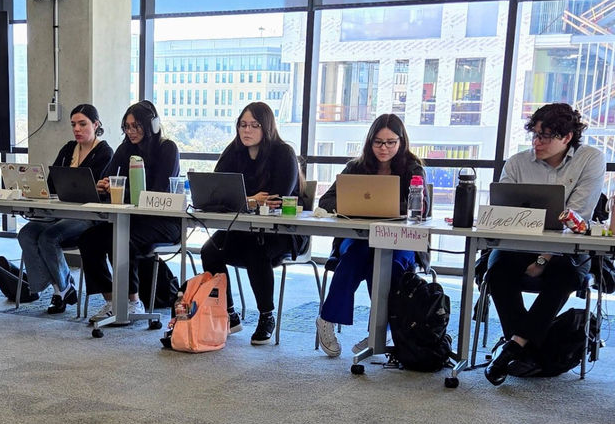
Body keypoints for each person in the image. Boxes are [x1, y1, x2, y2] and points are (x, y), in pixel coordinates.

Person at [483, 102, 605, 386]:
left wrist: (542, 259)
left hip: (567, 248)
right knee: (497, 270)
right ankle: (523, 347)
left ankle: (512, 348)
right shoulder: (517, 163)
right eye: (535, 135)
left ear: (567, 137)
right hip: (517, 244)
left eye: (545, 136)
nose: (537, 142)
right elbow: (503, 215)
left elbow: (576, 218)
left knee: (565, 276)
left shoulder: (591, 160)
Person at [314, 113, 424, 357]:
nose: (383, 148)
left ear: (401, 142)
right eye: (378, 142)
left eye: (390, 142)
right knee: (354, 256)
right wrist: (355, 204)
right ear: (369, 142)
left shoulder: (413, 169)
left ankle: (380, 328)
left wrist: (388, 206)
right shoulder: (356, 166)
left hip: (399, 240)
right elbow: (327, 199)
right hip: (359, 238)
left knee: (391, 265)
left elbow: (422, 209)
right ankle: (327, 319)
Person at [199, 102, 304, 345]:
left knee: (257, 249)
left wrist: (242, 200)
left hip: (281, 232)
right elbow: (215, 191)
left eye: (254, 125)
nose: (247, 130)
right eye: (243, 125)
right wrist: (249, 199)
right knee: (209, 250)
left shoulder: (283, 153)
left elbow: (276, 198)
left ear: (266, 127)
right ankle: (230, 313)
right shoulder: (233, 151)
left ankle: (266, 315)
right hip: (241, 229)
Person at [77, 101, 181, 322]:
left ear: (151, 125)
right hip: (132, 219)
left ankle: (133, 302)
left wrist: (120, 192)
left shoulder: (167, 149)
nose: (131, 132)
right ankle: (113, 300)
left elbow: (158, 192)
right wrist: (103, 185)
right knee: (88, 239)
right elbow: (107, 178)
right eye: (127, 126)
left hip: (164, 222)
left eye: (136, 126)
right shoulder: (125, 149)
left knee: (121, 239)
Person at [16, 104, 113, 314]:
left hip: (88, 216)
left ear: (96, 125)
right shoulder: (68, 148)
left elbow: (100, 191)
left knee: (48, 237)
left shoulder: (105, 152)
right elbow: (52, 183)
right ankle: (63, 286)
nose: (77, 129)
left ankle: (59, 293)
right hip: (59, 211)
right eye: (73, 125)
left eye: (82, 124)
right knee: (26, 233)